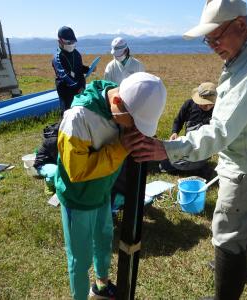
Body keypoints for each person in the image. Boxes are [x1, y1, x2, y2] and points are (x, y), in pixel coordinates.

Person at [122, 0, 247, 299]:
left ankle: (227, 289)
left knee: (227, 235)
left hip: (244, 166)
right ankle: (240, 272)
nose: (212, 44)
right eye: (208, 39)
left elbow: (219, 132)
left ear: (241, 25)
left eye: (216, 36)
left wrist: (167, 149)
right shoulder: (244, 57)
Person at [55, 72, 166, 300]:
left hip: (103, 193)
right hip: (78, 200)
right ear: (116, 103)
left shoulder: (124, 101)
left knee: (103, 242)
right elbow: (77, 171)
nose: (133, 128)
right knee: (80, 257)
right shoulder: (77, 118)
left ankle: (102, 285)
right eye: (133, 122)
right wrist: (121, 147)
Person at [159, 82, 216, 178]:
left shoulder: (217, 111)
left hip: (204, 149)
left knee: (174, 163)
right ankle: (193, 167)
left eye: (209, 104)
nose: (206, 107)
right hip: (188, 145)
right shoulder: (189, 105)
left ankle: (196, 166)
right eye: (203, 104)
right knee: (168, 160)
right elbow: (178, 120)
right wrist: (175, 132)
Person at [52, 26, 91, 115]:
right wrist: (78, 88)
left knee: (80, 112)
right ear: (60, 41)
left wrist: (88, 69)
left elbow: (78, 67)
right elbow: (64, 76)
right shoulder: (58, 57)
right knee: (68, 113)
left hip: (80, 88)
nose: (71, 44)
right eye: (68, 42)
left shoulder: (76, 53)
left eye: (73, 42)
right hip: (66, 90)